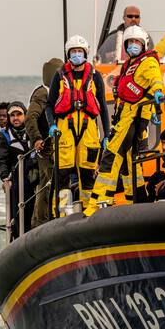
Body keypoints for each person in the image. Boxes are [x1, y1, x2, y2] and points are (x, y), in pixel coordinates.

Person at [84, 25, 163, 214]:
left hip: (132, 118)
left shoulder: (148, 63)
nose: (133, 45)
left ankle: (98, 202)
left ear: (143, 45)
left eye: (137, 42)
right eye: (130, 42)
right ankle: (135, 199)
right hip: (125, 118)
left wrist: (158, 92)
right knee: (129, 162)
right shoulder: (129, 65)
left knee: (110, 158)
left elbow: (155, 80)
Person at [43, 36, 108, 212]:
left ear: (85, 53)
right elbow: (49, 105)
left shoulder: (95, 77)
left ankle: (89, 210)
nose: (77, 55)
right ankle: (63, 212)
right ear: (68, 54)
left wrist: (107, 135)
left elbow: (102, 107)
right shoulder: (59, 76)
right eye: (73, 52)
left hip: (89, 131)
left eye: (80, 51)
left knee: (88, 174)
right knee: (62, 175)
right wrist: (52, 125)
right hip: (64, 130)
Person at [26, 57, 63, 226]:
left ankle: (51, 216)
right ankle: (40, 221)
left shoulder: (57, 92)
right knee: (46, 184)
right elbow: (31, 117)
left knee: (54, 183)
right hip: (46, 146)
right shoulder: (43, 92)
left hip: (58, 145)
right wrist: (37, 139)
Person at [0, 102, 37, 234]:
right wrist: (5, 178)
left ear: (25, 115)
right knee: (18, 212)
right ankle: (18, 234)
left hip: (34, 178)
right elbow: (0, 159)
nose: (16, 118)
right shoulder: (3, 136)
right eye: (12, 115)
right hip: (17, 180)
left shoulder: (33, 132)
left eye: (19, 114)